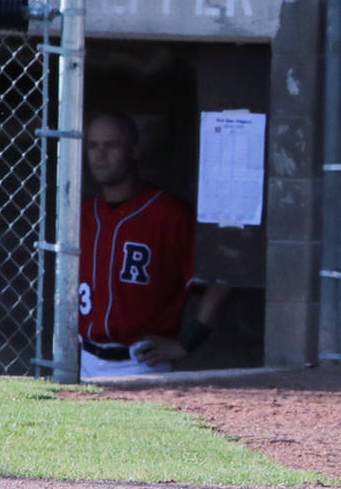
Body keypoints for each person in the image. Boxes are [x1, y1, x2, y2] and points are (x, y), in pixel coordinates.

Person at [78, 112, 229, 379]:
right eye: (93, 146)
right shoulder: (80, 214)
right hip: (83, 358)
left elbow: (221, 278)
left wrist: (186, 344)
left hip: (141, 362)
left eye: (111, 145)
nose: (100, 155)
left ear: (134, 150)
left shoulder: (170, 214)